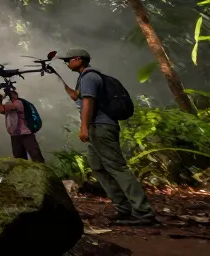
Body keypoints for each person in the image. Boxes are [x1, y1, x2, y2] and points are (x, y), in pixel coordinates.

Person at [59, 48, 155, 225]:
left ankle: (143, 212)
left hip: (100, 127)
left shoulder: (89, 77)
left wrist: (84, 128)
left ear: (78, 59)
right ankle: (123, 208)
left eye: (68, 60)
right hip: (98, 127)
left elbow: (88, 102)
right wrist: (58, 78)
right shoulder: (84, 78)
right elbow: (77, 97)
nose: (66, 63)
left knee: (117, 167)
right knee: (98, 167)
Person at [0, 86, 44, 163]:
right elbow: (0, 110)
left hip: (25, 133)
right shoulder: (9, 104)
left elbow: (7, 108)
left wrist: (3, 100)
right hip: (15, 135)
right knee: (19, 158)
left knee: (35, 155)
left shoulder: (18, 102)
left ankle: (43, 171)